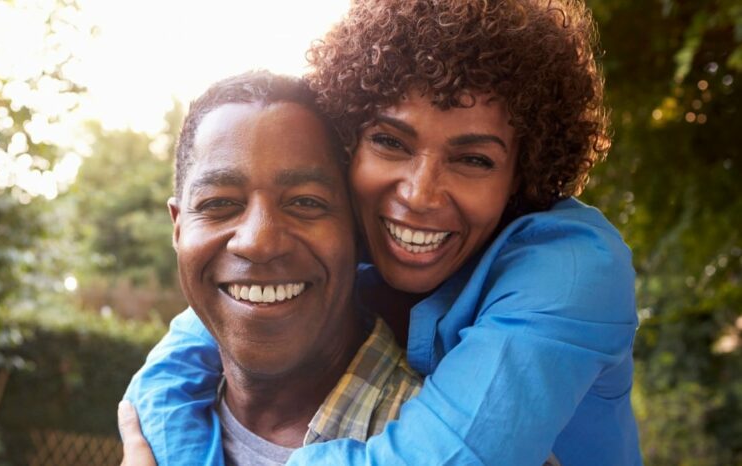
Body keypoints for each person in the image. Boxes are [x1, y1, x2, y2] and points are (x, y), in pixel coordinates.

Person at [121, 0, 641, 465]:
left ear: (520, 177)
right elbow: (185, 355)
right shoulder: (355, 231)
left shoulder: (573, 269)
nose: (419, 194)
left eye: (473, 159)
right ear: (350, 144)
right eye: (390, 142)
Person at [145, 70, 424, 465]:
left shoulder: (453, 445)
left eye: (305, 202)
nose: (258, 242)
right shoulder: (150, 425)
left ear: (357, 229)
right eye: (219, 203)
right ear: (178, 228)